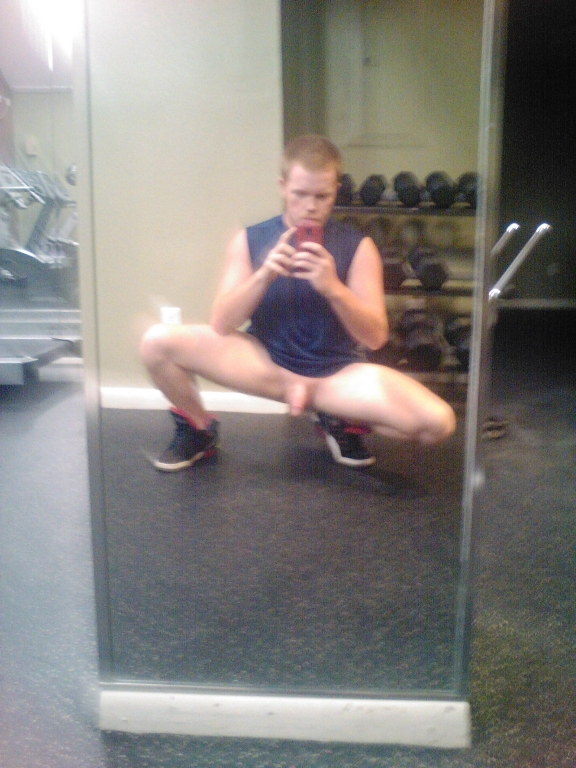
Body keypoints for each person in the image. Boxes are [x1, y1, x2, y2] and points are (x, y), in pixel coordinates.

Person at [140, 134, 456, 472]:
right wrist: (263, 276)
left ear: (335, 190)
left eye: (322, 196)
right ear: (283, 187)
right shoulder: (249, 240)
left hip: (333, 376)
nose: (310, 207)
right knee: (156, 343)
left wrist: (333, 288)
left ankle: (339, 419)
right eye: (300, 194)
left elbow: (375, 337)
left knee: (438, 423)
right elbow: (221, 323)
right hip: (265, 364)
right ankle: (199, 430)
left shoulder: (359, 247)